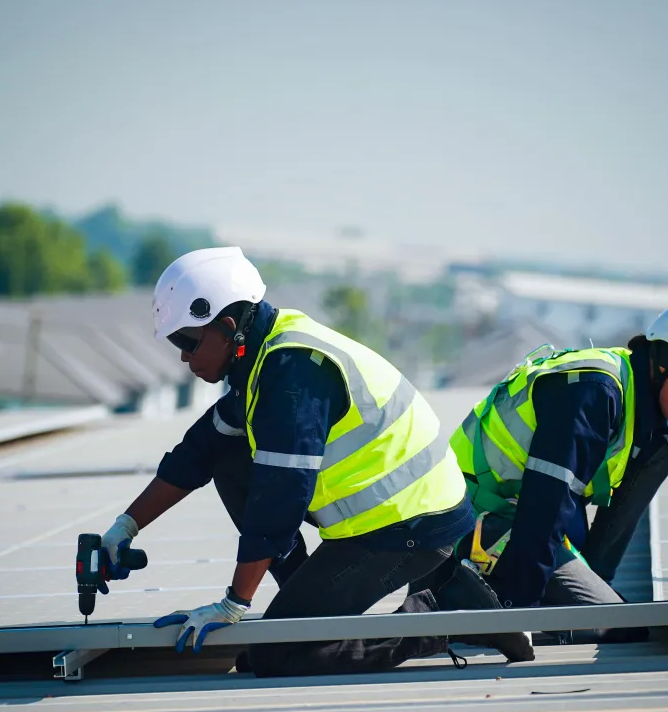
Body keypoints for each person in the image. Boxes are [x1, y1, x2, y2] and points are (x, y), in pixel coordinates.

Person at [92, 247, 533, 677]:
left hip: (410, 524)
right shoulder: (262, 356)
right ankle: (306, 598)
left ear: (228, 327)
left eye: (186, 342)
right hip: (386, 520)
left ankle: (446, 613)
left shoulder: (293, 374)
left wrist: (234, 605)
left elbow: (280, 498)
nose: (184, 357)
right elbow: (201, 449)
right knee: (226, 452)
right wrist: (124, 528)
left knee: (277, 656)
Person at [420, 299, 668, 643]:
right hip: (471, 525)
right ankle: (469, 604)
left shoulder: (647, 393)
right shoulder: (592, 394)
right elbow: (545, 511)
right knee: (619, 628)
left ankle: (587, 584)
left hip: (519, 515)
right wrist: (518, 615)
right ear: (663, 364)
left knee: (664, 446)